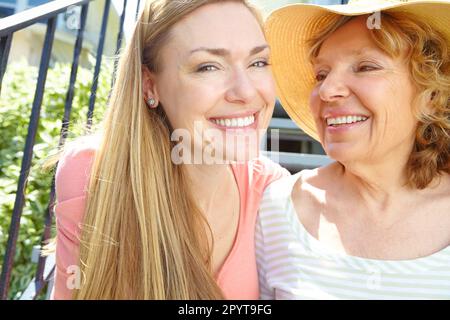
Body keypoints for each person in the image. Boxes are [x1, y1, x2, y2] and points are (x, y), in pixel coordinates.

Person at [51, 0, 289, 300]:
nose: (245, 92)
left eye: (258, 62)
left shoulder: (273, 193)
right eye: (208, 66)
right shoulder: (92, 171)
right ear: (150, 86)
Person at [257, 0, 450, 299]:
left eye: (365, 67)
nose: (327, 90)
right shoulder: (276, 210)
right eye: (321, 74)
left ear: (431, 95)